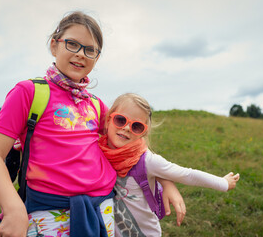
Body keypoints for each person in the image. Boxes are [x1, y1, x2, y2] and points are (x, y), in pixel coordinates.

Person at [0, 11, 185, 237]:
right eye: (72, 44)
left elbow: (134, 145)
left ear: (96, 58)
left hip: (104, 210)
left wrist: (166, 181)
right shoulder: (29, 92)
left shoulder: (96, 105)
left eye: (90, 50)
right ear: (54, 45)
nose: (80, 54)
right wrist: (13, 209)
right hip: (49, 212)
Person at [98, 93, 240, 237]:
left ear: (143, 133)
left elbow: (187, 174)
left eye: (137, 126)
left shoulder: (147, 160)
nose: (127, 128)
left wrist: (223, 183)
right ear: (109, 120)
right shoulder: (98, 151)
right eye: (120, 120)